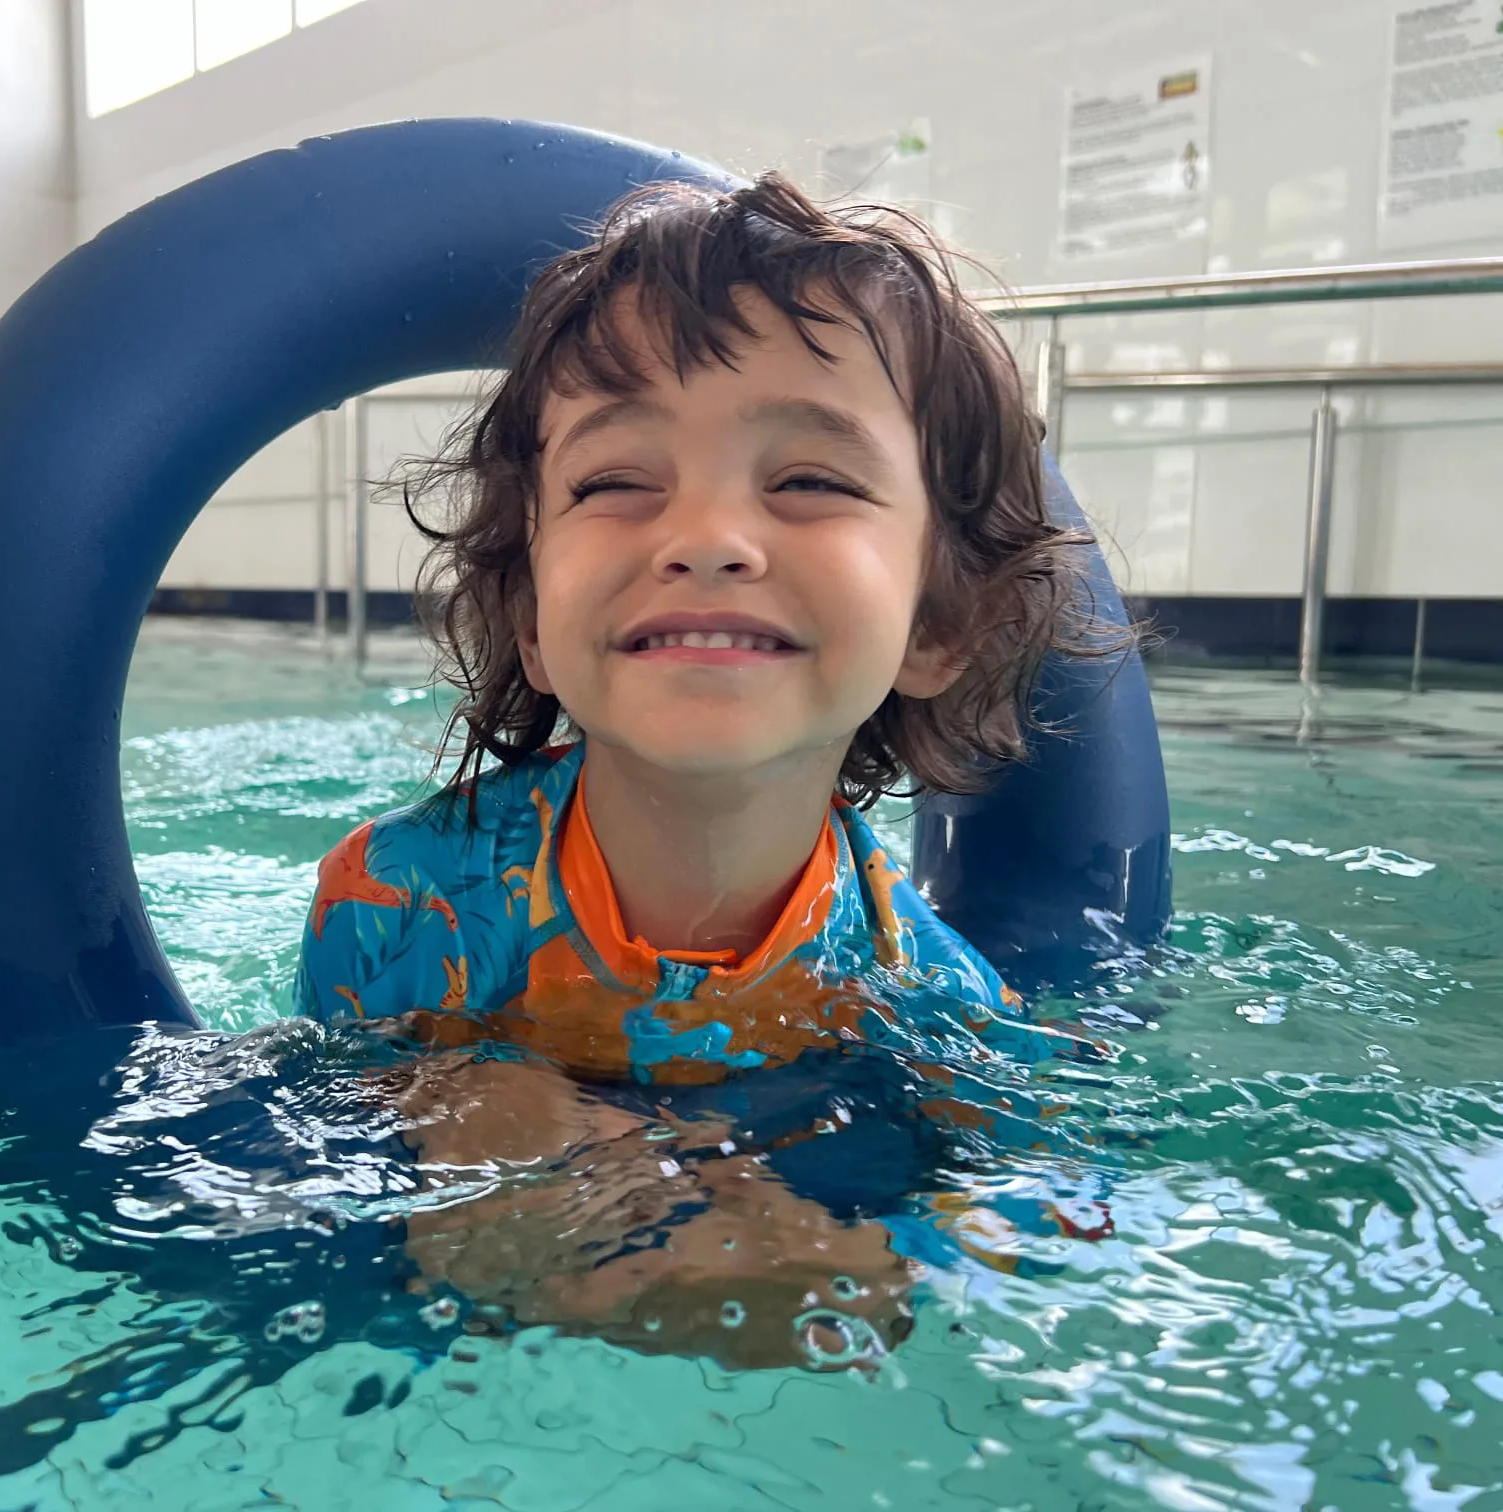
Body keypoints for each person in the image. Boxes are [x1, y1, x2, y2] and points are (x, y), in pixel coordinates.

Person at [294, 173, 1124, 1368]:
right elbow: (315, 1186)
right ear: (533, 618)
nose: (705, 539)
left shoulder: (929, 994)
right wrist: (445, 1108)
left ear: (940, 624)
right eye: (616, 483)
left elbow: (1044, 1242)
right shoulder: (396, 903)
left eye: (810, 482)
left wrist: (875, 1265)